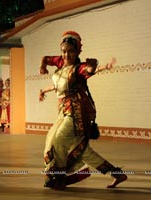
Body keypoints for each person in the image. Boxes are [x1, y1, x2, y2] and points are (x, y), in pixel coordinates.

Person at [39, 31, 127, 190]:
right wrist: (42, 70)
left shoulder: (78, 68)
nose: (66, 54)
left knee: (58, 139)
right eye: (64, 51)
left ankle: (58, 177)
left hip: (76, 114)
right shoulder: (60, 62)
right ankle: (117, 174)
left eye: (71, 51)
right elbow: (48, 64)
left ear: (77, 51)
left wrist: (98, 66)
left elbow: (89, 70)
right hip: (62, 111)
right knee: (80, 150)